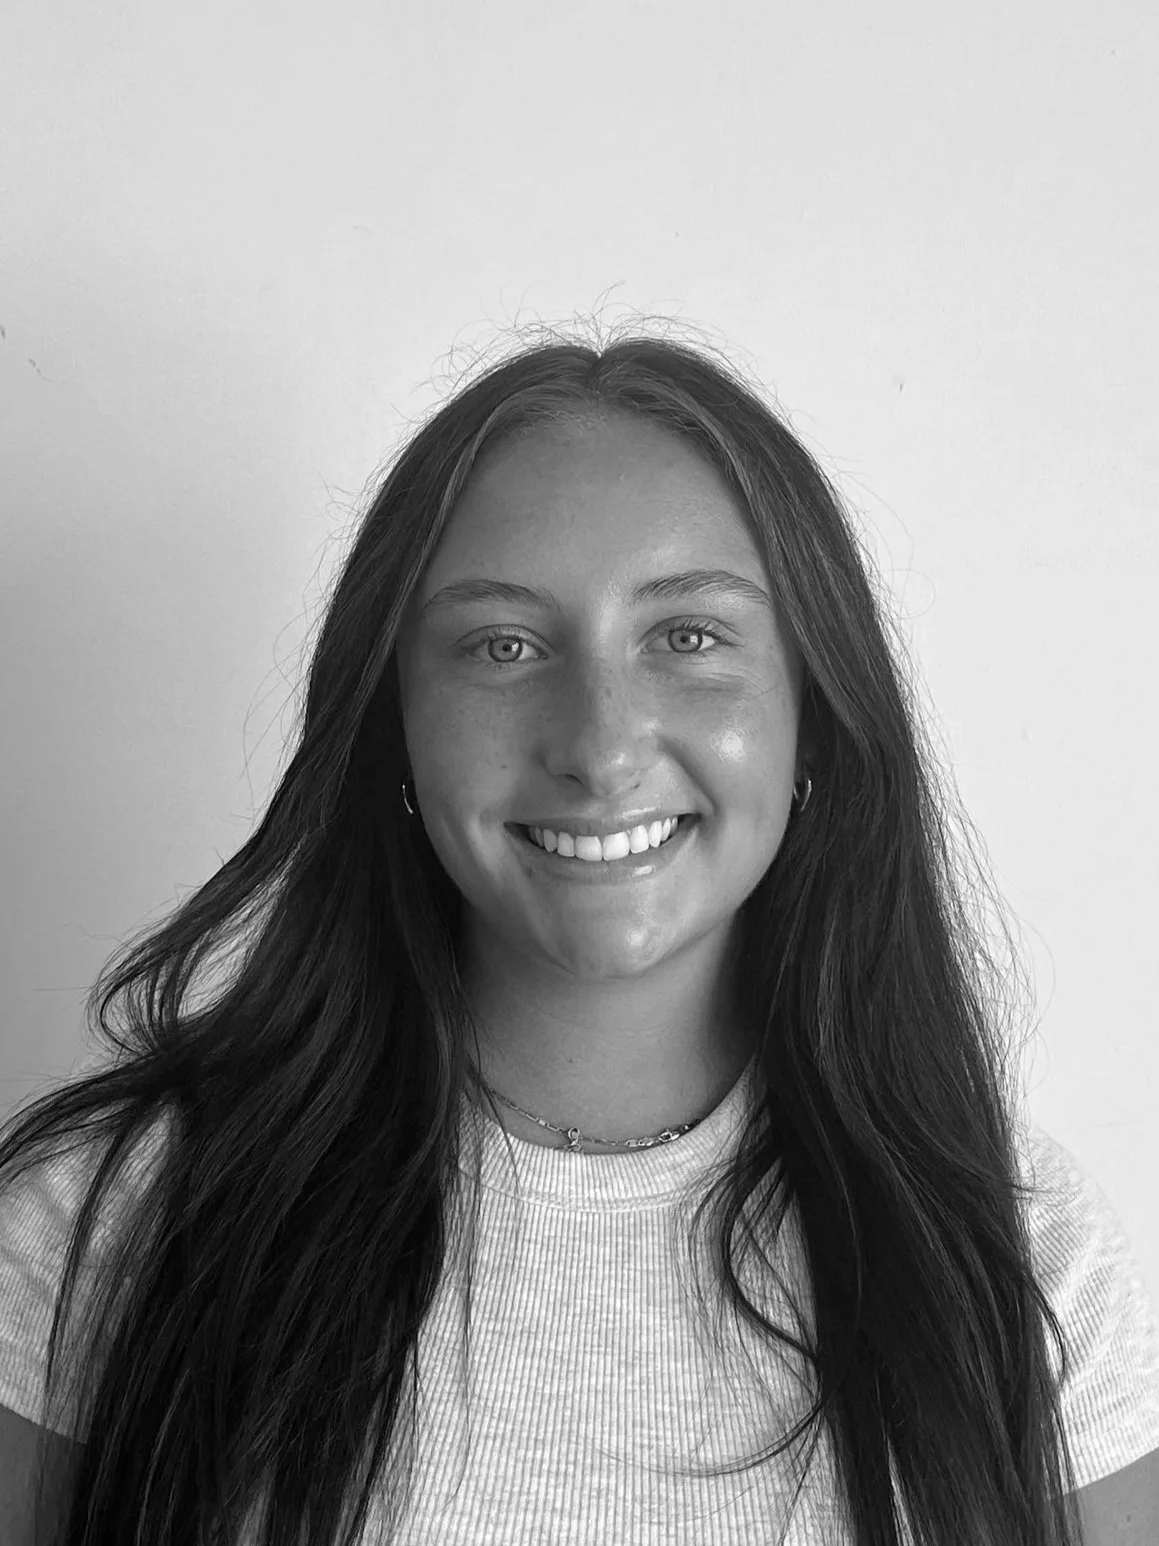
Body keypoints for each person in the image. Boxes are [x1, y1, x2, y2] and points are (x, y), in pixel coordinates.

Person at [1, 324, 1157, 1545]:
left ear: (812, 712)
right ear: (391, 723)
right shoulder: (106, 1224)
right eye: (503, 645)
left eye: (689, 637)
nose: (600, 747)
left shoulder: (1021, 1259)